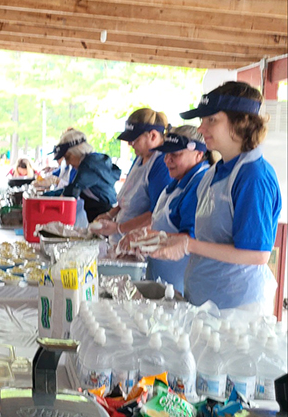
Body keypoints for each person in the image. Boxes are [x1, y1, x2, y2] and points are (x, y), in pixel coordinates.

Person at [150, 81, 282, 313]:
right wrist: (161, 239)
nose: (201, 128)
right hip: (206, 300)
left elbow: (257, 254)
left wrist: (188, 245)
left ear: (241, 122)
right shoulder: (214, 172)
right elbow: (211, 239)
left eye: (211, 120)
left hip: (237, 309)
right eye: (202, 120)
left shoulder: (253, 176)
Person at [119, 126, 212, 294]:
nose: (167, 160)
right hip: (161, 280)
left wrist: (147, 238)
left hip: (179, 286)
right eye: (166, 154)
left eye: (175, 155)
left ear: (198, 154)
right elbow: (162, 224)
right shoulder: (178, 181)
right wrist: (142, 235)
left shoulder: (198, 186)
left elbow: (188, 240)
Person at [95, 108, 172, 243]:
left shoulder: (161, 164)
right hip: (121, 239)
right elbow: (128, 199)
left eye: (135, 139)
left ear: (153, 136)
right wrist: (110, 215)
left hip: (139, 243)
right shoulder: (140, 157)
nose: (130, 144)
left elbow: (156, 214)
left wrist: (119, 228)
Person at [53, 129, 120, 222]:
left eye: (67, 157)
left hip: (105, 213)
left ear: (76, 152)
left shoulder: (90, 165)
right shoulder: (89, 163)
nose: (67, 163)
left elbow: (73, 189)